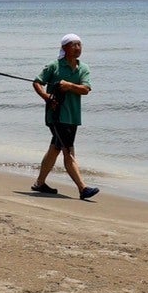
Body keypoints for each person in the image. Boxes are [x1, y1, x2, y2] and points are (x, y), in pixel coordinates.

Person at [30, 33, 98, 200]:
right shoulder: (54, 66)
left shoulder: (83, 68)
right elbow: (37, 82)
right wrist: (47, 97)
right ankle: (82, 188)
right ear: (64, 48)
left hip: (73, 117)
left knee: (55, 148)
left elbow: (85, 89)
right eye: (74, 45)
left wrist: (69, 86)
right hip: (56, 116)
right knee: (68, 150)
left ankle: (39, 183)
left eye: (79, 45)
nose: (78, 48)